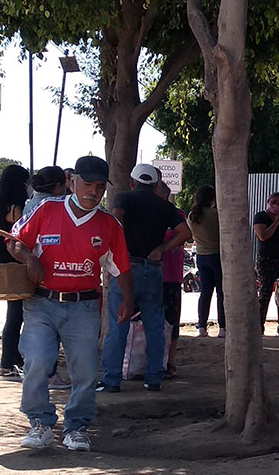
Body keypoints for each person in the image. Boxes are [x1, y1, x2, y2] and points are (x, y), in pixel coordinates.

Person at [6, 155, 134, 452]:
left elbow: (122, 268)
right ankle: (39, 422)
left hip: (84, 307)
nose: (93, 191)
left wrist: (128, 299)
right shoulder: (46, 209)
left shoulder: (109, 225)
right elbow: (13, 240)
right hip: (42, 303)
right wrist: (30, 258)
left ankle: (77, 428)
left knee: (86, 371)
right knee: (36, 360)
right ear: (71, 181)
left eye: (100, 187)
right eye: (87, 184)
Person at [99, 164, 191, 392]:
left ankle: (112, 380)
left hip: (126, 268)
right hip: (153, 268)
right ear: (155, 185)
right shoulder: (165, 207)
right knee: (154, 326)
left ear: (133, 182)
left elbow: (116, 220)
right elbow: (185, 233)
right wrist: (162, 248)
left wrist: (120, 248)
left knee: (118, 324)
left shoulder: (124, 199)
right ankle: (154, 379)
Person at [23, 165, 70, 390]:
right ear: (59, 186)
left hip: (31, 275)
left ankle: (38, 372)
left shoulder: (29, 203)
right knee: (50, 332)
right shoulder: (51, 206)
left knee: (36, 331)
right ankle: (49, 373)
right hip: (50, 274)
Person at [0, 164, 31, 381]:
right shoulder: (16, 208)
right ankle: (7, 365)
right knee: (16, 316)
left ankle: (13, 360)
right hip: (14, 266)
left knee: (13, 314)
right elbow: (21, 238)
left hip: (2, 265)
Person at [156, 180, 188, 377]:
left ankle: (169, 361)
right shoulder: (149, 215)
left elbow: (182, 235)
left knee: (172, 320)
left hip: (172, 275)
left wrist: (162, 247)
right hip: (155, 273)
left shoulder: (177, 215)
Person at [254, 192, 279, 337]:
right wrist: (276, 222)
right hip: (266, 260)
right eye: (274, 202)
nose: (276, 205)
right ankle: (259, 325)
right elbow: (263, 236)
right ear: (268, 201)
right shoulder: (261, 216)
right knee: (265, 293)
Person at [188, 185, 225, 338]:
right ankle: (223, 327)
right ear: (212, 199)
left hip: (202, 256)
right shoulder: (217, 215)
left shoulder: (192, 216)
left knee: (205, 292)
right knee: (221, 293)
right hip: (217, 255)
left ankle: (201, 326)